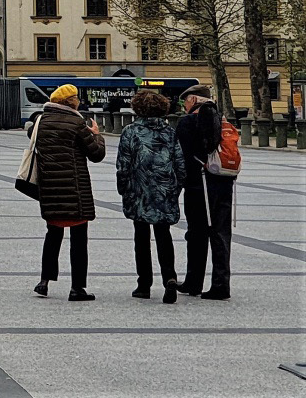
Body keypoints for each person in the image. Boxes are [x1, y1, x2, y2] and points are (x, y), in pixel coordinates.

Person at [32, 84, 107, 301]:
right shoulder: (76, 123)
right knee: (79, 240)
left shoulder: (41, 122)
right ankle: (77, 288)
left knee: (53, 235)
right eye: (77, 98)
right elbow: (96, 154)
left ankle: (44, 281)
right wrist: (97, 136)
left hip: (49, 189)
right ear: (70, 101)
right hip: (75, 190)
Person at [116, 89, 185, 303]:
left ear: (138, 108)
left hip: (139, 191)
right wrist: (176, 187)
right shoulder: (169, 132)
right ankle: (170, 278)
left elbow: (123, 165)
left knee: (141, 237)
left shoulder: (130, 131)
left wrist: (123, 188)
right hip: (164, 191)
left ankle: (144, 284)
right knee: (164, 235)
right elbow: (180, 164)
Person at [176, 83, 233, 300]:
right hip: (223, 181)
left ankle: (194, 281)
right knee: (220, 233)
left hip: (198, 185)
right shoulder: (222, 118)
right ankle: (221, 283)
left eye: (185, 101)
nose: (183, 105)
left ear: (193, 101)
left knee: (196, 233)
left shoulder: (188, 122)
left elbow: (183, 157)